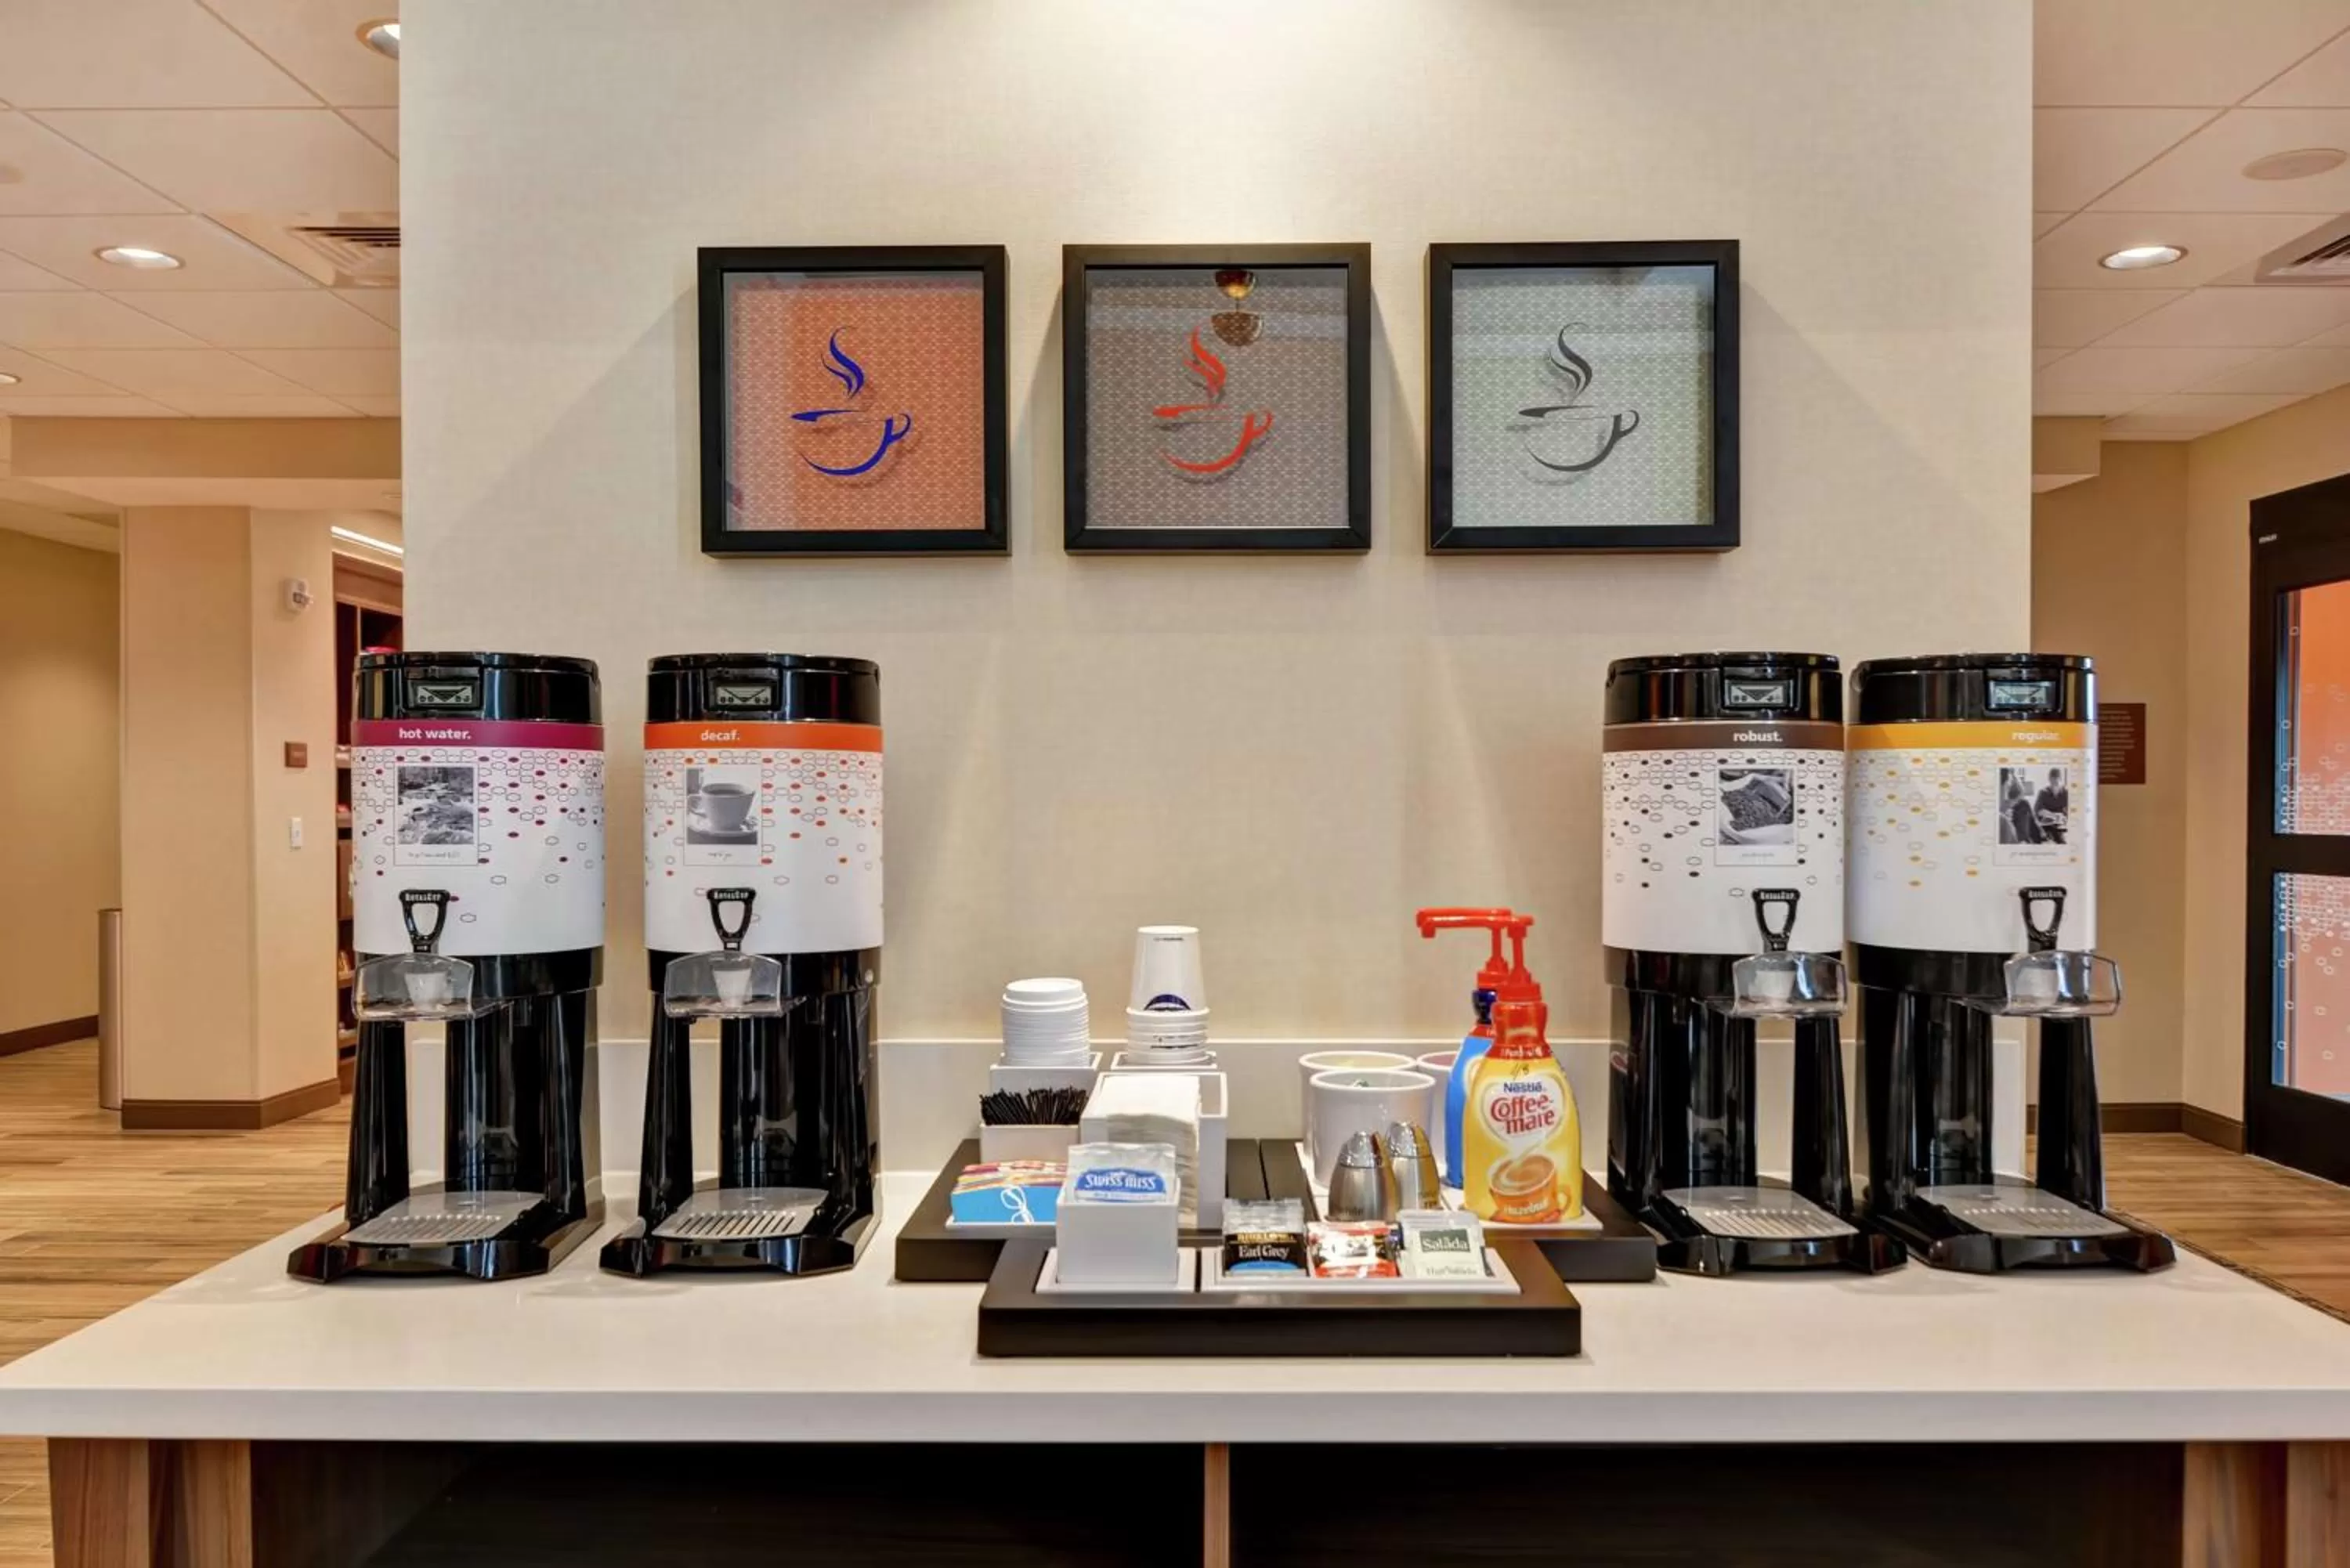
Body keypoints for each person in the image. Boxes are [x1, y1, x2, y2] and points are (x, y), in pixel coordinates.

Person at [2034, 767, 2069, 845]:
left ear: (2060, 779)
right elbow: (2038, 811)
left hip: (2062, 825)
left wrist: (2064, 816)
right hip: (2047, 825)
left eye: (2057, 781)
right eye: (2052, 781)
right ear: (2049, 780)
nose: (2055, 784)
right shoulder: (2043, 792)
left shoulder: (2065, 793)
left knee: (2062, 841)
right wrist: (2053, 815)